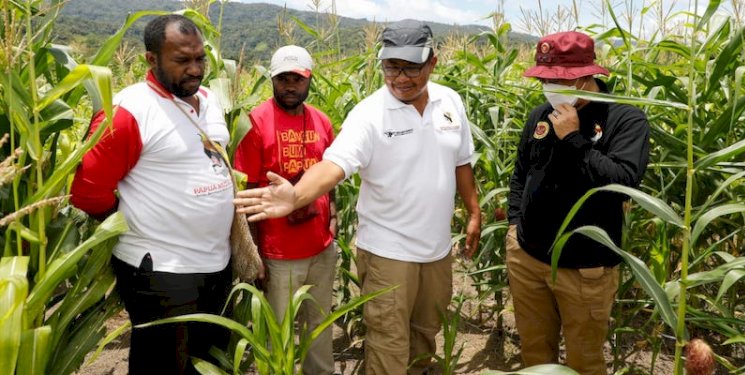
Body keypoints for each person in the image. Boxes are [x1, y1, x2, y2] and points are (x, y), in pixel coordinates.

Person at [234, 20, 480, 375]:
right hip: (388, 252)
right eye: (391, 67)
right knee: (388, 345)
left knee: (426, 334)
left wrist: (473, 211)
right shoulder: (368, 114)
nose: (400, 77)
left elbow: (461, 161)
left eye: (411, 67)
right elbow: (335, 164)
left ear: (433, 63)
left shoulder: (450, 102)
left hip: (438, 251)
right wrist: (297, 196)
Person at [70, 14, 233, 374]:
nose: (195, 69)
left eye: (200, 58)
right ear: (151, 59)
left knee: (209, 362)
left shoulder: (208, 99)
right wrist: (139, 219)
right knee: (161, 365)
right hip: (161, 270)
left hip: (216, 263)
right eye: (182, 60)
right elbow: (87, 192)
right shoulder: (129, 111)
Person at [506, 31, 650, 375]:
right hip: (528, 257)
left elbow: (623, 183)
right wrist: (514, 225)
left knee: (584, 362)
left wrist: (573, 138)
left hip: (585, 270)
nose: (550, 86)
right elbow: (521, 172)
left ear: (588, 76)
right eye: (545, 78)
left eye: (560, 79)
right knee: (535, 355)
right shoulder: (540, 115)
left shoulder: (625, 120)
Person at [233, 45, 337, 375]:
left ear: (309, 80)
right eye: (282, 79)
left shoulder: (322, 121)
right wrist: (252, 255)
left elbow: (331, 176)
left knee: (318, 325)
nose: (290, 85)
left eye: (297, 78)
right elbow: (245, 193)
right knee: (276, 333)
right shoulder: (254, 123)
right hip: (278, 254)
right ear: (272, 80)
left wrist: (333, 218)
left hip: (321, 248)